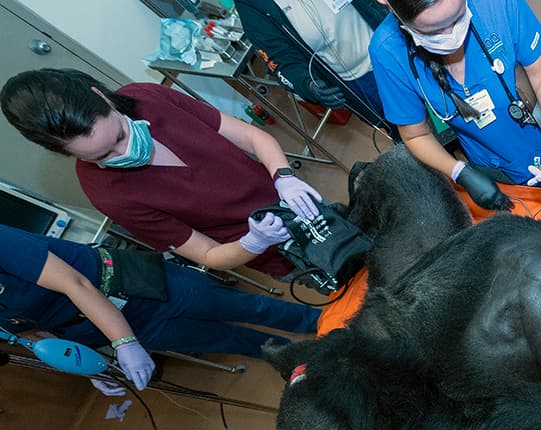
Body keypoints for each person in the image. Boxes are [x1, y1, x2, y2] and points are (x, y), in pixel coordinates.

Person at [1, 68, 325, 279]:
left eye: (119, 137)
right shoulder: (110, 196)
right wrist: (255, 242)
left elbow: (253, 137)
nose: (124, 153)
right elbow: (209, 254)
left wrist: (284, 177)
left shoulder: (149, 97)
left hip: (298, 200)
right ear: (67, 154)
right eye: (103, 156)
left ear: (101, 97)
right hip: (278, 254)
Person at [0, 224, 320, 392]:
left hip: (126, 285)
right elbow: (26, 331)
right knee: (225, 341)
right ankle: (300, 360)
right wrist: (82, 363)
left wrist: (124, 343)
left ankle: (324, 323)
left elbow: (76, 284)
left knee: (247, 308)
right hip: (94, 328)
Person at [368, 0, 541, 210]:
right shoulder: (388, 51)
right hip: (489, 166)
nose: (452, 35)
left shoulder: (496, 6)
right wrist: (458, 171)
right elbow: (415, 135)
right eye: (433, 31)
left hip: (538, 130)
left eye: (458, 17)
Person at [235, 0, 395, 135]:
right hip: (359, 81)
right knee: (403, 127)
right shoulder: (251, 4)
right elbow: (279, 58)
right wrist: (309, 84)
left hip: (394, 45)